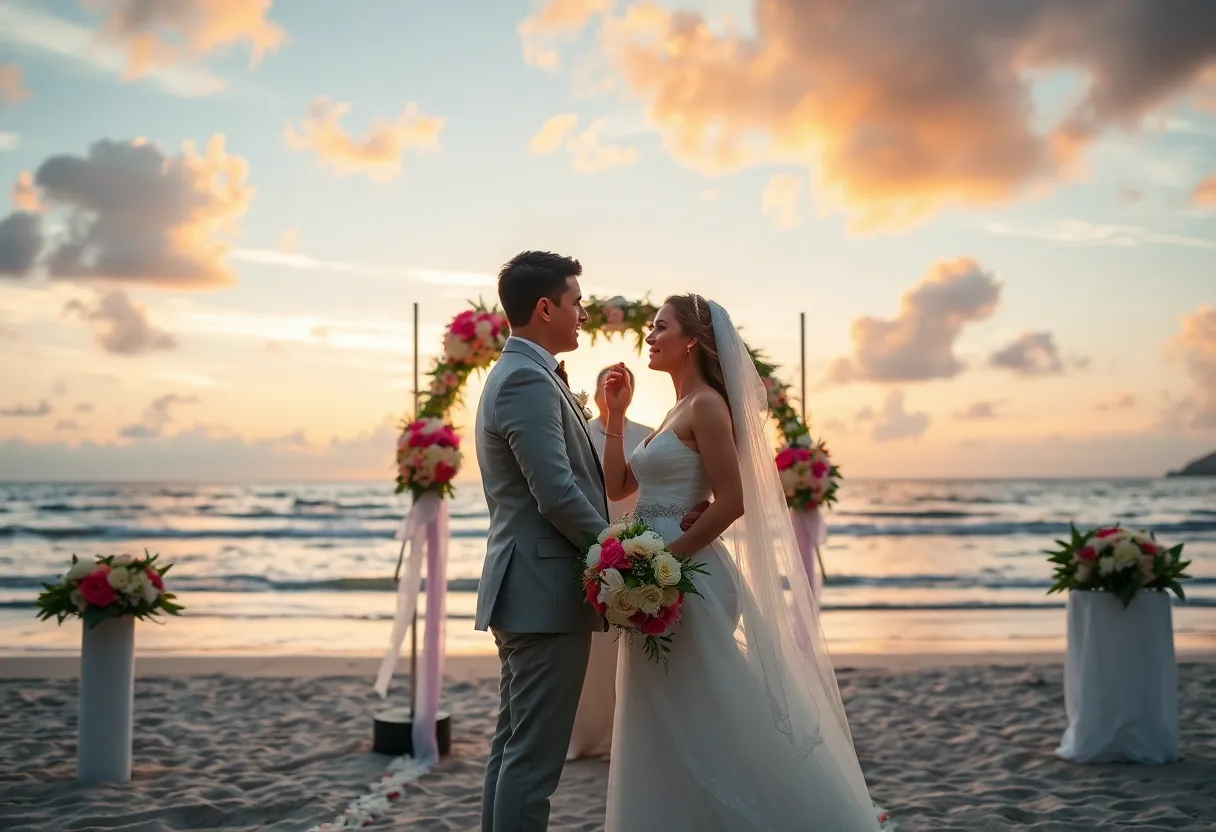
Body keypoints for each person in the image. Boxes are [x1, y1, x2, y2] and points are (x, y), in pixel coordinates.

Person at [599, 294, 886, 831]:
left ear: (691, 340)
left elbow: (733, 500)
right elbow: (617, 486)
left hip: (683, 578)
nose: (650, 336)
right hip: (652, 578)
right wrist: (614, 415)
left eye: (661, 327)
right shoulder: (672, 411)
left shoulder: (707, 404)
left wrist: (662, 565)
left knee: (704, 711)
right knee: (658, 714)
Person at [474, 253, 704, 832]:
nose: (581, 314)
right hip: (543, 593)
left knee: (513, 750)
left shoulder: (529, 372)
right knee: (532, 764)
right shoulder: (526, 378)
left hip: (526, 588)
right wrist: (621, 556)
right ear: (546, 307)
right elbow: (554, 493)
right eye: (576, 303)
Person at [566, 366, 655, 762]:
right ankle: (587, 734)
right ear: (598, 389)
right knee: (592, 651)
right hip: (592, 546)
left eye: (625, 382)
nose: (617, 387)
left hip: (637, 549)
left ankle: (630, 732)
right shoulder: (581, 433)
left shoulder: (649, 434)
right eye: (608, 381)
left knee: (631, 645)